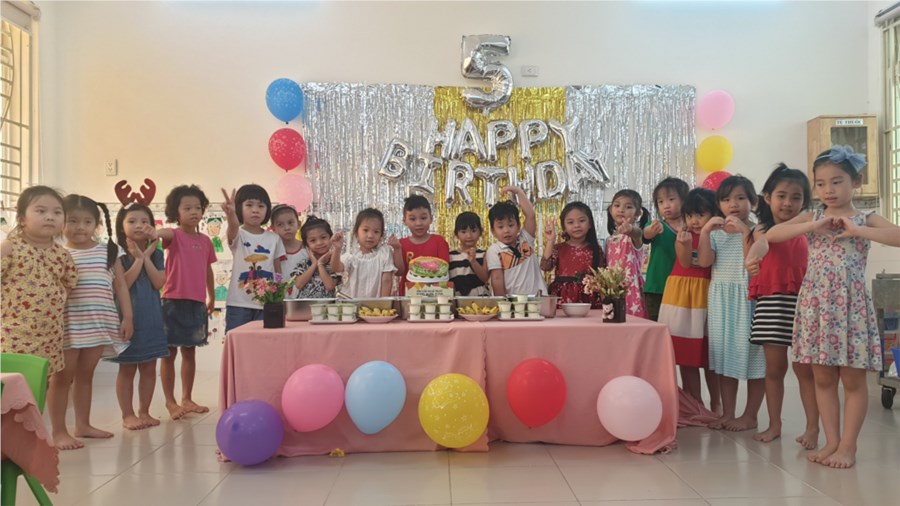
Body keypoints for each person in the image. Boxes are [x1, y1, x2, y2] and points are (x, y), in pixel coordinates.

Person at [767, 146, 900, 468]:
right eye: (821, 183)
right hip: (817, 307)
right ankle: (831, 441)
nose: (828, 189)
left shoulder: (866, 217)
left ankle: (848, 447)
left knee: (853, 381)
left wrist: (858, 230)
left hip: (851, 309)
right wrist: (812, 227)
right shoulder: (813, 217)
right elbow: (774, 233)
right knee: (823, 379)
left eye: (837, 182)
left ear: (856, 182)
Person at [48, 195, 133, 450]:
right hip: (68, 324)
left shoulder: (108, 250)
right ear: (62, 222)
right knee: (62, 378)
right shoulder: (56, 252)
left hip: (98, 323)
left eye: (87, 222)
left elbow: (121, 285)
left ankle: (83, 425)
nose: (80, 227)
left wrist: (128, 317)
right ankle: (59, 431)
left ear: (97, 224)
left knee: (86, 375)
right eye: (73, 221)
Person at [744, 164, 819, 447]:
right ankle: (774, 424)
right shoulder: (763, 229)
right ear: (767, 197)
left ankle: (812, 428)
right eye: (781, 196)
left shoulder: (809, 230)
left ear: (805, 201)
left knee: (805, 370)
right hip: (772, 303)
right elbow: (761, 245)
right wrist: (752, 258)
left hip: (805, 303)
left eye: (796, 197)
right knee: (774, 370)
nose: (788, 203)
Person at [698, 175, 765, 431]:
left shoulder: (758, 230)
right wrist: (705, 231)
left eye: (740, 198)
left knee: (755, 359)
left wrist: (745, 232)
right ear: (719, 204)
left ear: (753, 201)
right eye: (726, 199)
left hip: (748, 299)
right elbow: (705, 261)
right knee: (724, 358)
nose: (733, 204)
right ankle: (728, 413)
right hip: (721, 300)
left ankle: (750, 415)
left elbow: (751, 263)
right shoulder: (716, 233)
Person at [150, 185, 217, 419]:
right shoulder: (175, 235)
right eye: (187, 208)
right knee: (169, 354)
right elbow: (163, 234)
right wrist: (153, 232)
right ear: (175, 212)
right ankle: (170, 402)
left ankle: (187, 399)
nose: (193, 212)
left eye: (197, 207)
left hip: (196, 303)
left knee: (190, 352)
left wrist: (211, 295)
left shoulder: (206, 241)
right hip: (172, 301)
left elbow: (207, 269)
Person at [1, 186, 79, 375]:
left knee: (41, 383)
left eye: (57, 212)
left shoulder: (62, 255)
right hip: (12, 334)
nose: (50, 217)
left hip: (49, 336)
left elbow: (69, 283)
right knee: (12, 384)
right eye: (41, 211)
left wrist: (54, 301)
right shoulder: (10, 248)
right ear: (21, 219)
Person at [658, 188, 721, 413]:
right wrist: (683, 244)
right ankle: (695, 404)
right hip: (680, 297)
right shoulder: (682, 236)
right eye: (690, 215)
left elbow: (705, 263)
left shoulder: (718, 236)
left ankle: (716, 403)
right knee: (686, 355)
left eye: (701, 215)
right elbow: (685, 263)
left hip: (707, 295)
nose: (694, 221)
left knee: (710, 356)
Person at [108, 204, 170, 430]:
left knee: (149, 367)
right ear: (121, 226)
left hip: (152, 319)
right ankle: (128, 415)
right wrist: (138, 259)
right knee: (127, 368)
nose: (139, 225)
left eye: (144, 221)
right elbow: (122, 285)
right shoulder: (117, 254)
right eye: (132, 221)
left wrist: (146, 256)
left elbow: (158, 282)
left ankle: (144, 411)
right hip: (128, 320)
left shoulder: (158, 254)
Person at [221, 185, 284, 333]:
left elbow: (278, 271)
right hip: (238, 304)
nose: (255, 210)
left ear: (267, 210)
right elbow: (233, 228)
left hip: (267, 304)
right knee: (237, 342)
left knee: (264, 343)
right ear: (239, 208)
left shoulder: (274, 238)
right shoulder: (238, 234)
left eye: (261, 206)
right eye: (249, 205)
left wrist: (278, 296)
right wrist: (231, 214)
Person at [643, 177, 690, 321]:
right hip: (657, 287)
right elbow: (645, 234)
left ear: (685, 200)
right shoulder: (656, 225)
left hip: (682, 287)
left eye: (671, 199)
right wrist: (651, 231)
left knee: (678, 324)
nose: (666, 206)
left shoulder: (691, 227)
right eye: (660, 202)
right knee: (656, 324)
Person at [487, 186, 547, 296]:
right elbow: (497, 278)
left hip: (538, 299)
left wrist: (518, 192)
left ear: (518, 226)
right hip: (513, 302)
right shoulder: (494, 250)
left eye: (511, 225)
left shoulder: (526, 239)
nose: (506, 230)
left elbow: (530, 215)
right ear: (493, 231)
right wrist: (502, 303)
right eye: (500, 227)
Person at [541, 201, 605, 306]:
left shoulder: (596, 250)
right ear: (564, 227)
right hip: (562, 298)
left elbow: (602, 278)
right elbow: (545, 266)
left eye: (582, 221)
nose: (576, 225)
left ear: (590, 224)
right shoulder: (559, 248)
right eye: (570, 222)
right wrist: (550, 241)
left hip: (588, 298)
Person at [330, 207, 396, 298]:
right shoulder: (351, 257)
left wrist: (383, 303)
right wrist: (337, 249)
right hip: (353, 304)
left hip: (376, 305)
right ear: (356, 233)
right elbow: (336, 268)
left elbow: (387, 280)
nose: (370, 235)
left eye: (376, 232)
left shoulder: (384, 253)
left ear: (381, 235)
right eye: (365, 230)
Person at [390, 195, 450, 294]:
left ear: (431, 218)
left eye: (423, 218)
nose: (418, 223)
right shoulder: (401, 244)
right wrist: (397, 249)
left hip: (435, 294)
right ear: (404, 221)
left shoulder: (439, 241)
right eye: (413, 219)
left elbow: (444, 269)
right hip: (409, 295)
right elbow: (399, 272)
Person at [605, 190, 650, 317]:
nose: (621, 210)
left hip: (631, 288)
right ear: (610, 210)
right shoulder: (609, 239)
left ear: (638, 213)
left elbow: (638, 234)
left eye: (628, 207)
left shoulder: (634, 235)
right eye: (617, 205)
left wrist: (630, 230)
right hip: (613, 289)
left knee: (633, 321)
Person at [289, 213, 339, 298]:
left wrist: (320, 264)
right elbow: (298, 285)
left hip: (327, 305)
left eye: (323, 237)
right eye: (313, 240)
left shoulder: (335, 264)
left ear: (331, 238)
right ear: (306, 245)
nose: (319, 243)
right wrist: (314, 264)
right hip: (304, 305)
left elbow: (330, 286)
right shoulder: (303, 263)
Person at [449, 211, 490, 296]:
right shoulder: (450, 256)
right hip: (458, 299)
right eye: (463, 232)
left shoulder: (484, 254)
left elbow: (485, 279)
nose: (469, 236)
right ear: (456, 233)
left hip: (480, 298)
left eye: (473, 231)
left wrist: (473, 261)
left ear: (480, 232)